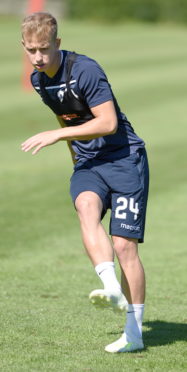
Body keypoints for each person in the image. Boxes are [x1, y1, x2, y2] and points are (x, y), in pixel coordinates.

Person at [21, 12, 149, 353]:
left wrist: (58, 134)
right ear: (24, 48)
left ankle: (134, 335)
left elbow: (107, 122)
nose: (38, 57)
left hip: (124, 160)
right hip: (89, 164)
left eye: (44, 49)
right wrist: (79, 165)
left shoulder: (85, 70)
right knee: (85, 205)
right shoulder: (39, 79)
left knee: (124, 247)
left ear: (57, 44)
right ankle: (109, 287)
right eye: (31, 50)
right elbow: (67, 117)